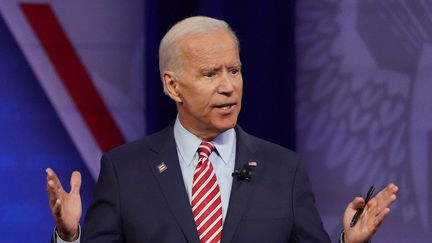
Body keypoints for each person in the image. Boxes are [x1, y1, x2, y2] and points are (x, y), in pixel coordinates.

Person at [46, 16, 398, 243]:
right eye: (210, 74)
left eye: (235, 70)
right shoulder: (125, 170)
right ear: (172, 86)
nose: (229, 86)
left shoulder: (285, 170)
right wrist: (69, 236)